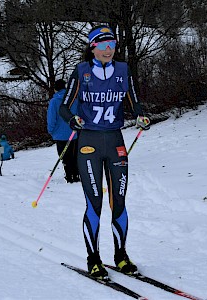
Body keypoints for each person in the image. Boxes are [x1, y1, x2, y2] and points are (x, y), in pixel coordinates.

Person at [59, 25, 151, 279]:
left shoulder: (123, 71)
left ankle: (120, 256)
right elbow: (64, 107)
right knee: (94, 203)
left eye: (112, 44)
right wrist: (72, 120)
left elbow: (134, 100)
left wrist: (141, 115)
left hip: (115, 141)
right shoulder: (81, 71)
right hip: (88, 142)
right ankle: (94, 259)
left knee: (118, 202)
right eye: (102, 44)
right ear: (92, 48)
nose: (108, 49)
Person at [47, 79, 80, 183]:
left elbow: (51, 117)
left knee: (65, 156)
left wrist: (51, 130)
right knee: (74, 154)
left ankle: (69, 175)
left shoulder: (54, 101)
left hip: (60, 134)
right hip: (73, 132)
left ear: (56, 89)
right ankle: (76, 174)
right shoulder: (73, 99)